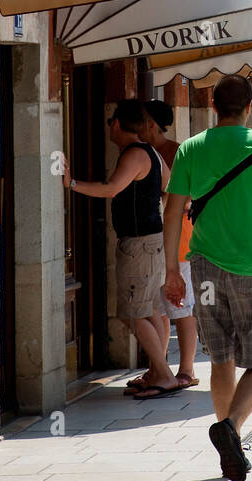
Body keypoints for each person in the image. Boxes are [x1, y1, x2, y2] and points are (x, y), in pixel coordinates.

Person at [162, 75, 252, 481]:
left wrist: (172, 269)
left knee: (220, 357)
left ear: (213, 105)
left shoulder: (191, 148)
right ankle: (232, 426)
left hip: (205, 269)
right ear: (250, 107)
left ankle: (231, 441)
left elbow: (172, 213)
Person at [62, 100, 180, 399]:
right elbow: (171, 183)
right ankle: (158, 370)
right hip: (151, 241)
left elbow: (111, 188)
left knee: (133, 312)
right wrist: (159, 214)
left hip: (139, 245)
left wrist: (71, 183)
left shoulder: (135, 154)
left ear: (116, 124)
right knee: (150, 310)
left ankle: (164, 374)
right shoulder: (151, 152)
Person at [132, 100, 200, 392]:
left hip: (179, 239)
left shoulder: (178, 151)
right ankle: (159, 369)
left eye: (142, 121)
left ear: (152, 123)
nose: (139, 127)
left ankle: (187, 369)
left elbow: (192, 196)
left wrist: (165, 198)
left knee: (180, 308)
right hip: (152, 240)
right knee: (157, 308)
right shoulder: (142, 152)